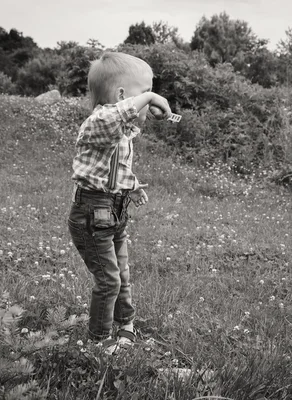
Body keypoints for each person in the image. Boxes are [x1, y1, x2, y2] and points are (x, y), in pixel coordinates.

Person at [67, 52, 171, 354]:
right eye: (144, 93)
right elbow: (114, 116)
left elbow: (115, 167)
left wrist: (133, 187)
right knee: (109, 279)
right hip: (91, 215)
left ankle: (126, 323)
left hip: (114, 211)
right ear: (123, 96)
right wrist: (149, 96)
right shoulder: (98, 121)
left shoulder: (123, 132)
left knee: (122, 275)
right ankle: (99, 340)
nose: (149, 103)